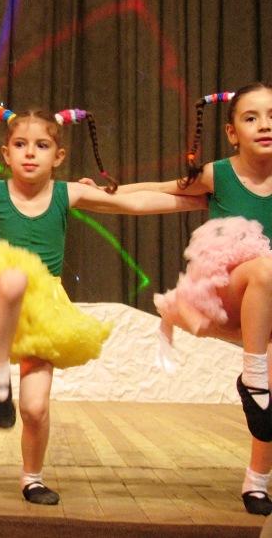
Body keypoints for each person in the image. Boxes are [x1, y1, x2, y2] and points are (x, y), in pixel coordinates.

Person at [0, 103, 204, 505]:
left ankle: (32, 477)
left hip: (44, 308)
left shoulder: (68, 193)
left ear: (59, 156)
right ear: (5, 153)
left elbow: (136, 204)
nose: (30, 153)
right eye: (20, 144)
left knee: (35, 409)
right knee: (14, 278)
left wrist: (199, 202)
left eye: (42, 145)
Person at [100, 85, 272, 515]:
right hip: (225, 294)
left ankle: (257, 481)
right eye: (251, 118)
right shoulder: (220, 174)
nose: (264, 125)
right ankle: (253, 376)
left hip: (267, 308)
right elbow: (156, 191)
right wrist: (104, 192)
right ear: (232, 133)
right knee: (265, 269)